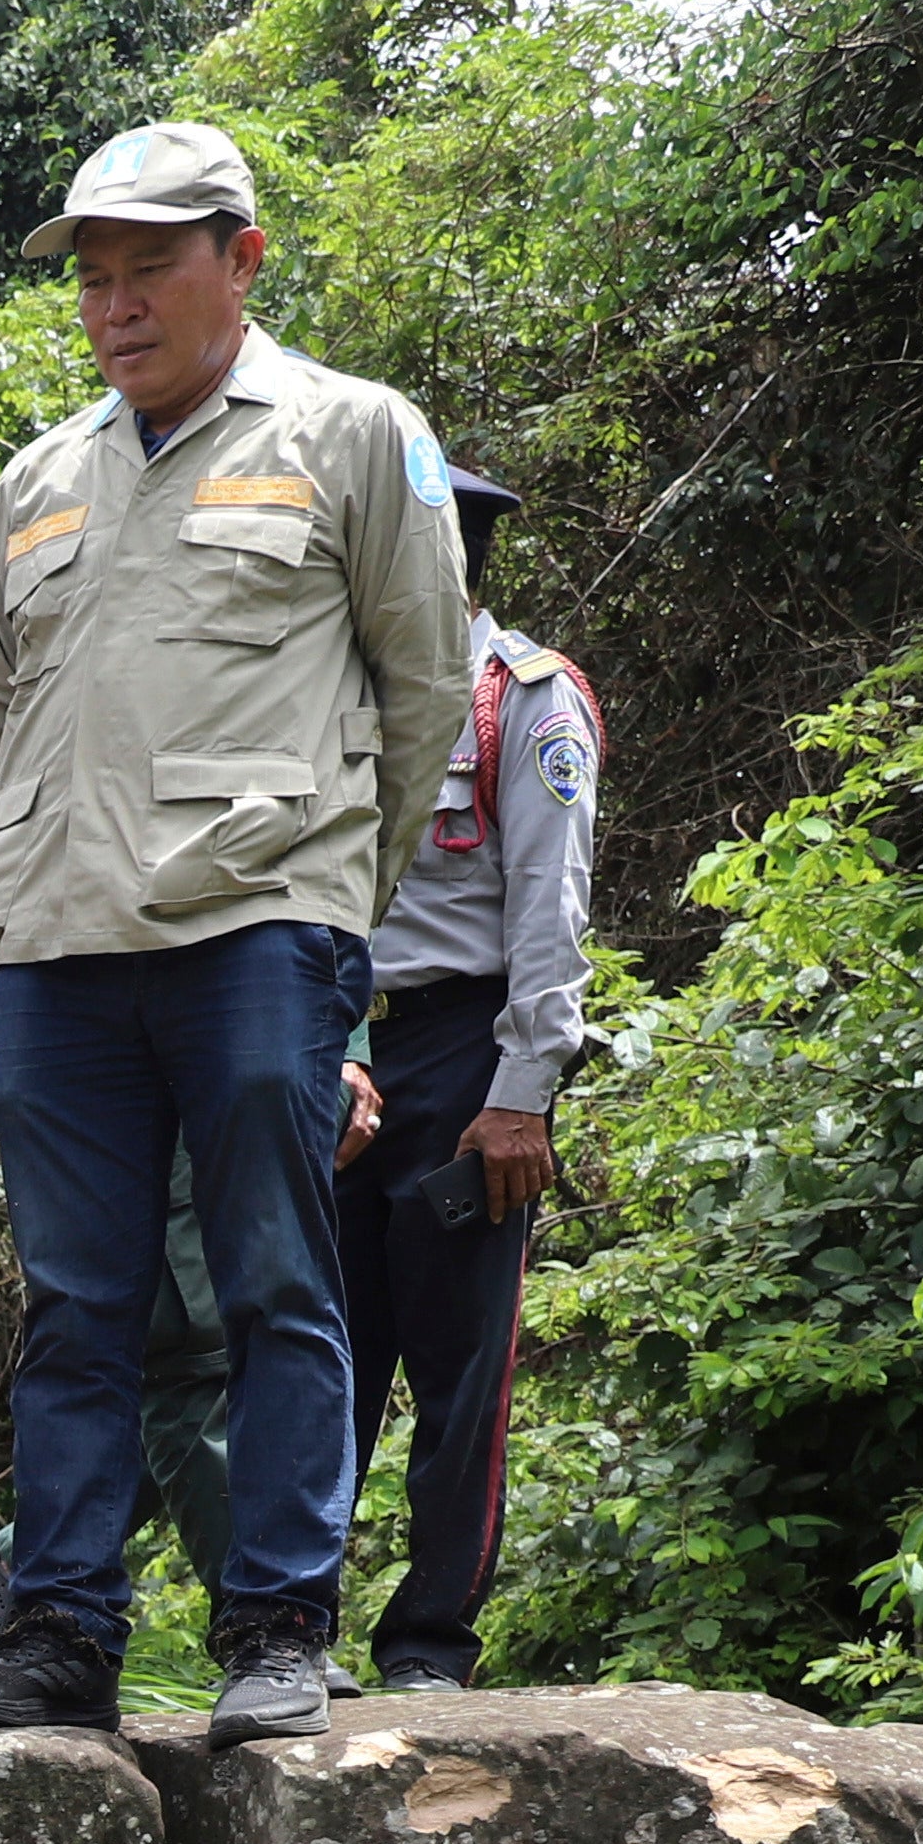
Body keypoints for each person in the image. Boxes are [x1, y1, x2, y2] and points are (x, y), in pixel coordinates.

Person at [0, 123, 465, 1748]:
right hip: (59, 953)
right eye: (93, 274)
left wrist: (329, 909)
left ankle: (281, 1624)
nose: (115, 301)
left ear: (242, 256)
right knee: (78, 1305)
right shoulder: (36, 480)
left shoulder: (357, 437)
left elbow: (425, 690)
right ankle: (65, 1631)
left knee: (274, 1278)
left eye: (149, 263)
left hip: (257, 933)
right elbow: (3, 714)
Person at [339, 456, 593, 1693]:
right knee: (313, 1342)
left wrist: (524, 1088)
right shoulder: (333, 689)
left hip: (464, 1052)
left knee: (458, 1364)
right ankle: (285, 1623)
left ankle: (430, 1638)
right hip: (329, 1038)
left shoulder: (527, 701)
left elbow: (552, 905)